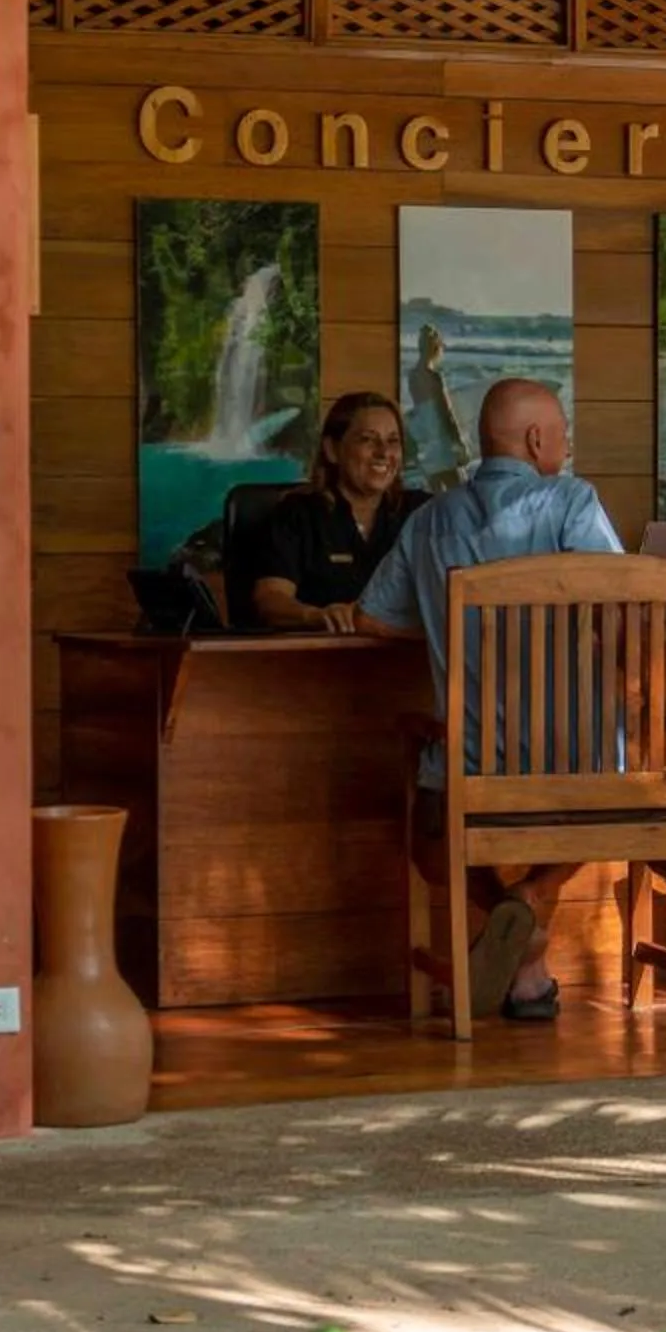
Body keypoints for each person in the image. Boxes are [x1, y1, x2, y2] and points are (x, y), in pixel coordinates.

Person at [355, 378, 620, 1021]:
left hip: (473, 767)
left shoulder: (429, 519)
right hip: (580, 766)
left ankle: (518, 935)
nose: (567, 442)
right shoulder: (571, 502)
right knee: (606, 785)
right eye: (562, 430)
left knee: (429, 837)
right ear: (536, 440)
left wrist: (449, 621)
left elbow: (372, 620)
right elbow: (623, 598)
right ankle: (530, 907)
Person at [250, 394, 414, 633]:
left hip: (403, 657)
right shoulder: (297, 514)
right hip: (315, 660)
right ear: (332, 450)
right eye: (368, 439)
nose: (383, 452)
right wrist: (316, 616)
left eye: (393, 441)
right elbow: (270, 599)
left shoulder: (420, 513)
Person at [404, 325, 471, 493]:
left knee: (437, 491)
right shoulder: (435, 377)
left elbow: (420, 407)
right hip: (440, 437)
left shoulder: (412, 375)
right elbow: (446, 412)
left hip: (424, 435)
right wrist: (459, 442)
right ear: (436, 348)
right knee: (460, 490)